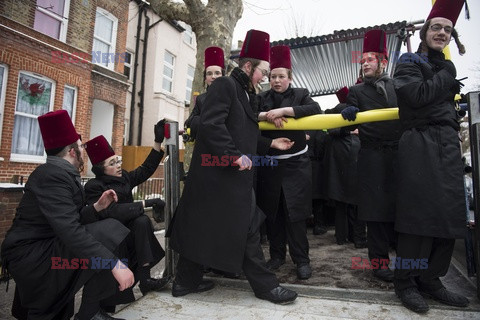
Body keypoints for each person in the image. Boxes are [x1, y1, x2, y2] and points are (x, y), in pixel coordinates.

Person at [167, 29, 298, 304]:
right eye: (263, 71)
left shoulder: (246, 92)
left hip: (225, 176)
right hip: (222, 174)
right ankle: (266, 286)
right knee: (248, 227)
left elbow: (241, 133)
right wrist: (233, 156)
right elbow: (211, 125)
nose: (264, 78)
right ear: (249, 66)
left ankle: (183, 282)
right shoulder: (226, 85)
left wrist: (269, 146)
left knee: (203, 226)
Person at [1, 110, 134, 320]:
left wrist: (96, 208)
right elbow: (70, 230)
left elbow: (67, 219)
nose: (83, 150)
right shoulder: (53, 176)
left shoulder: (59, 173)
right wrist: (113, 263)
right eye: (81, 146)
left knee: (107, 230)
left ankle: (89, 312)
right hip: (32, 255)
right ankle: (89, 314)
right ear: (72, 151)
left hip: (46, 246)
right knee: (108, 231)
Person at [392, 0, 469, 313]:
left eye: (447, 29)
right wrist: (447, 76)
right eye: (436, 27)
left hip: (448, 143)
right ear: (424, 31)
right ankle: (406, 282)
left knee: (448, 216)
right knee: (418, 215)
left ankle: (431, 279)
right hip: (420, 142)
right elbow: (417, 96)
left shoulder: (442, 67)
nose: (442, 32)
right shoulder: (409, 61)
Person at [83, 122, 168, 308]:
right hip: (112, 243)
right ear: (101, 169)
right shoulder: (94, 187)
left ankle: (145, 280)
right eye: (112, 163)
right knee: (108, 296)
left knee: (142, 221)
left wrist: (157, 141)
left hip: (131, 237)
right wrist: (146, 202)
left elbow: (145, 169)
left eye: (118, 160)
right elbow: (113, 211)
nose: (118, 165)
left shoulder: (125, 178)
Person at [341, 29, 402, 282]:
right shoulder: (357, 91)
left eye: (370, 59)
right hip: (372, 156)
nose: (364, 63)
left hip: (400, 155)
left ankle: (407, 261)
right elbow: (341, 111)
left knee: (401, 208)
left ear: (383, 62)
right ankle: (379, 265)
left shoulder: (399, 85)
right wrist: (347, 110)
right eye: (362, 60)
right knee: (375, 213)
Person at [256, 45, 321, 280]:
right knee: (273, 214)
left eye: (281, 76)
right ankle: (276, 257)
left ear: (290, 78)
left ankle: (302, 260)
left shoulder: (301, 93)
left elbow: (315, 109)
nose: (276, 81)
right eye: (272, 76)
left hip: (296, 165)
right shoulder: (261, 98)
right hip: (270, 164)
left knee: (296, 215)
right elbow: (248, 114)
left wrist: (284, 110)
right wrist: (268, 115)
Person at [325, 87, 366, 248]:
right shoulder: (356, 110)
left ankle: (341, 236)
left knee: (341, 201)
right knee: (357, 201)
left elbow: (332, 130)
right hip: (353, 156)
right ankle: (359, 238)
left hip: (339, 160)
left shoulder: (334, 111)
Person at [184, 46, 225, 140]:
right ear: (205, 78)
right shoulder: (201, 99)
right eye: (209, 74)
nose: (213, 77)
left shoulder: (233, 96)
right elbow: (190, 121)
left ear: (223, 75)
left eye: (217, 73)